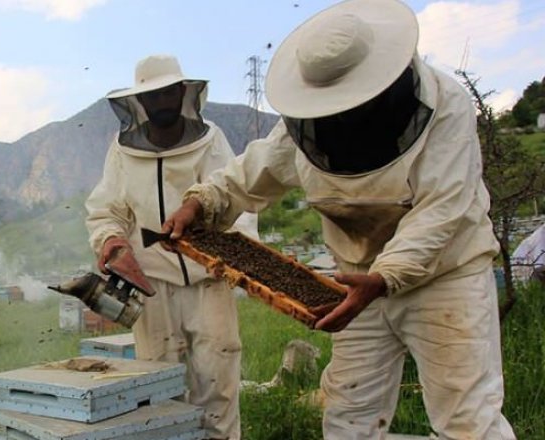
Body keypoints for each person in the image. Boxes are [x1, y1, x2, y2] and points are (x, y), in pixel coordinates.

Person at [162, 0, 517, 438]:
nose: (342, 117)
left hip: (446, 278)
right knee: (349, 413)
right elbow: (252, 173)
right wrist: (201, 203)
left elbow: (442, 210)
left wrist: (386, 277)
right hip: (352, 283)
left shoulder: (446, 105)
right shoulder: (309, 123)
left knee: (467, 418)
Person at [85, 54, 256, 440]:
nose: (161, 102)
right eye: (152, 96)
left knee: (219, 384)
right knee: (158, 386)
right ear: (139, 103)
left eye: (167, 93)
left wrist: (234, 256)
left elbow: (235, 200)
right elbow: (105, 209)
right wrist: (111, 241)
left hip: (207, 281)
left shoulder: (211, 140)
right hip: (151, 286)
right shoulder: (122, 150)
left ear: (183, 93)